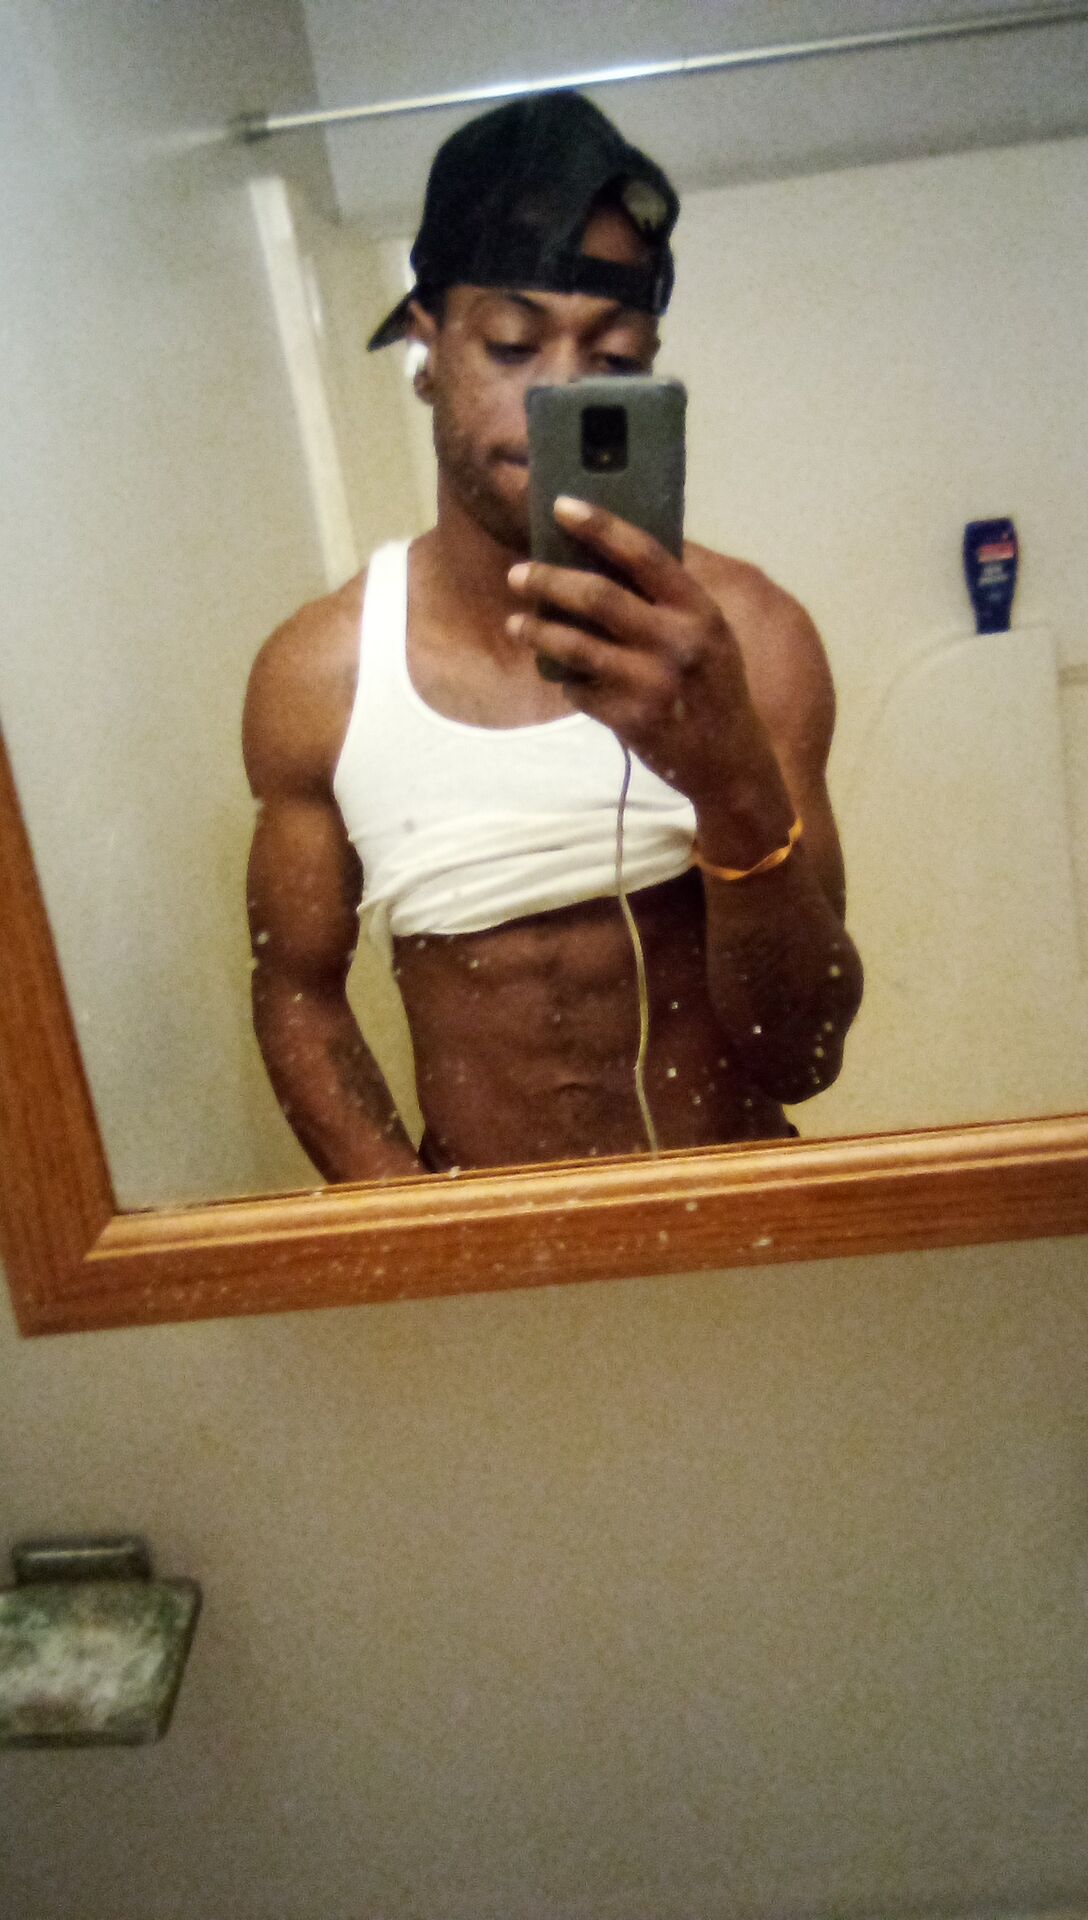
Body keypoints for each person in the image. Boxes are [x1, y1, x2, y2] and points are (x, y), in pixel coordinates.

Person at [243, 90, 863, 1181]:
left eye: (613, 357)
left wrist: (725, 772)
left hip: (744, 1237)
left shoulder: (749, 641)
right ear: (427, 348)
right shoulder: (323, 676)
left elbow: (801, 1055)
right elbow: (299, 992)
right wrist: (413, 1231)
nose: (560, 391)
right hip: (479, 1256)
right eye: (513, 343)